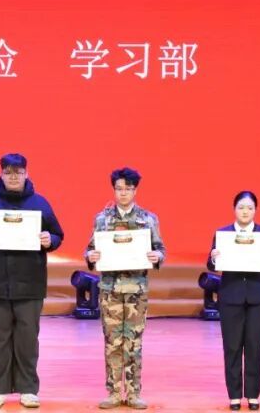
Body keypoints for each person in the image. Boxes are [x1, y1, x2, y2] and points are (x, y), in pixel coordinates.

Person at [0, 153, 64, 409]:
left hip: (30, 284)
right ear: (1, 174)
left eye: (18, 172)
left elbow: (57, 234)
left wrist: (50, 240)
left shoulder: (40, 204)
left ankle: (28, 389)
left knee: (27, 339)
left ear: (26, 174)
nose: (13, 177)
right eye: (8, 172)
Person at [84, 167, 165, 410]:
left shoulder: (148, 219)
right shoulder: (102, 219)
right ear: (114, 190)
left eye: (128, 189)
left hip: (136, 291)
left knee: (133, 343)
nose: (123, 193)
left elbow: (160, 249)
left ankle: (133, 393)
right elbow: (90, 249)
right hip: (110, 289)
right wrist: (90, 256)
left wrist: (157, 256)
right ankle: (112, 392)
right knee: (112, 342)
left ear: (135, 190)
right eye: (119, 189)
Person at [208, 191, 260, 411]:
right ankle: (233, 395)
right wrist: (213, 257)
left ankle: (252, 394)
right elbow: (212, 265)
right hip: (231, 295)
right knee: (232, 346)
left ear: (255, 210)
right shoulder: (222, 234)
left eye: (249, 208)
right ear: (234, 209)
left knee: (254, 346)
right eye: (241, 207)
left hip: (258, 296)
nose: (245, 212)